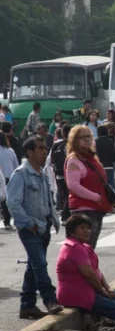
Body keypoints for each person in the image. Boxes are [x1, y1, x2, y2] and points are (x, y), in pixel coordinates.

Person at [7, 136, 62, 319]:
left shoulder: (43, 173)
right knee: (40, 264)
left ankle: (27, 305)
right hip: (31, 229)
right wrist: (29, 224)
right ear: (29, 151)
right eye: (40, 148)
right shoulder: (20, 173)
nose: (45, 151)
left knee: (33, 266)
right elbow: (13, 203)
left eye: (45, 148)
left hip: (44, 227)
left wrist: (53, 220)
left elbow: (48, 201)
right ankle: (50, 299)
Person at [66, 125, 113, 248]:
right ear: (75, 140)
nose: (87, 140)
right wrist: (95, 197)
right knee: (84, 249)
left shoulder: (90, 157)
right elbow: (73, 185)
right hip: (83, 209)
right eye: (83, 137)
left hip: (96, 208)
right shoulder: (74, 160)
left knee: (89, 249)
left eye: (89, 136)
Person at [0, 132, 18, 229]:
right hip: (9, 177)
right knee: (9, 200)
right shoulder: (10, 151)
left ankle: (6, 220)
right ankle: (8, 221)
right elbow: (16, 165)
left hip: (0, 177)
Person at [95, 125, 115, 190]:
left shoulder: (96, 141)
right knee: (111, 183)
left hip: (99, 165)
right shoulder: (111, 141)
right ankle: (114, 197)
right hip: (110, 165)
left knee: (100, 184)